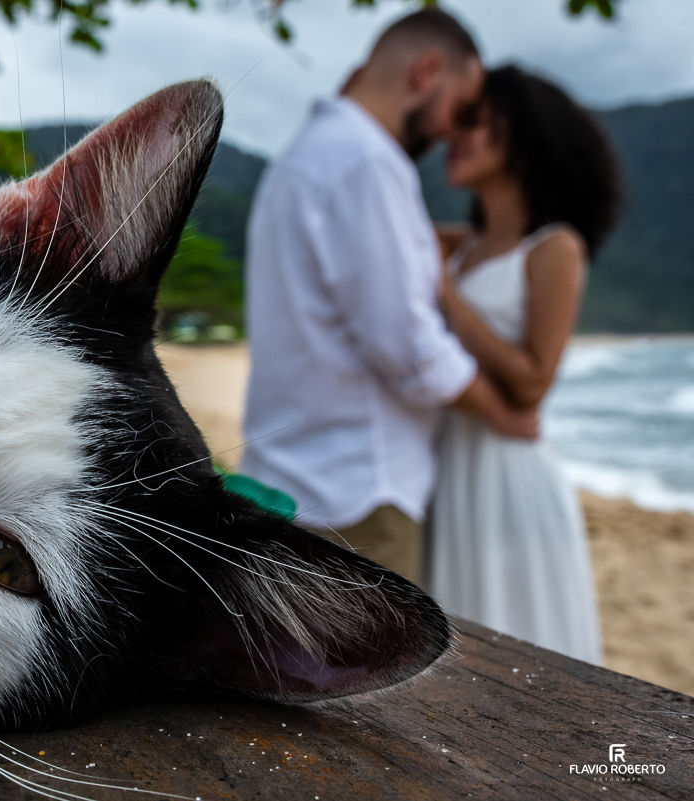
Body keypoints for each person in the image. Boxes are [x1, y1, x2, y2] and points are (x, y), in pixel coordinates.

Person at [240, 9, 536, 586]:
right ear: (427, 74)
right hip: (358, 493)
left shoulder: (304, 156)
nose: (455, 130)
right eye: (464, 107)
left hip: (297, 475)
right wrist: (507, 415)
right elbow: (410, 351)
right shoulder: (367, 162)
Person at [429, 65, 621, 663]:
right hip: (449, 462)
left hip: (507, 471)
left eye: (476, 122)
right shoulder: (463, 244)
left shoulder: (554, 247)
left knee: (520, 649)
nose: (454, 136)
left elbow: (534, 381)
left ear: (524, 137)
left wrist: (448, 298)